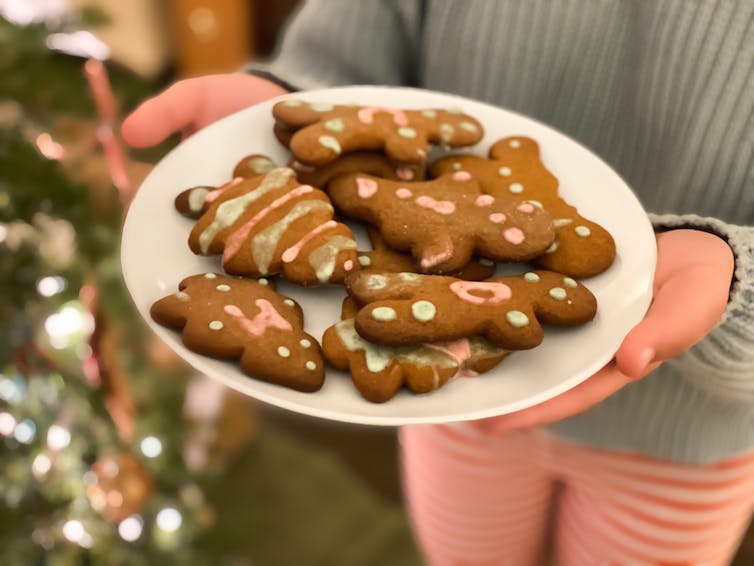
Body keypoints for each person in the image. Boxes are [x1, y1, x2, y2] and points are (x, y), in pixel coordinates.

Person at [122, 1, 754, 563]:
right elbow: (362, 30)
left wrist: (737, 273)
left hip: (685, 439)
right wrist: (295, 101)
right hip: (462, 404)